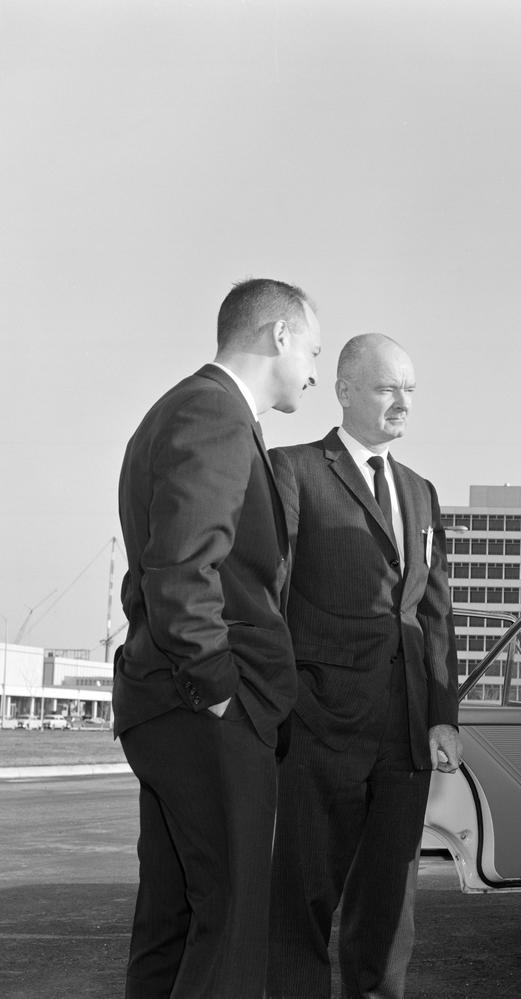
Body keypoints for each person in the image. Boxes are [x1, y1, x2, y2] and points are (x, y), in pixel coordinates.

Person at [114, 278, 321, 998]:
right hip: (202, 709)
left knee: (172, 920)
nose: (314, 374)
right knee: (231, 926)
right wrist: (220, 694)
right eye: (313, 351)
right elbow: (180, 568)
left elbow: (155, 568)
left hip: (168, 705)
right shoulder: (214, 415)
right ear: (279, 336)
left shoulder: (182, 410)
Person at [267, 333, 461, 999]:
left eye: (410, 388)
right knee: (300, 910)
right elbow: (267, 594)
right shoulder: (291, 469)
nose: (402, 401)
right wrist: (282, 705)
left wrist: (443, 715)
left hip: (405, 738)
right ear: (346, 389)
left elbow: (436, 612)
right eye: (386, 387)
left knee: (387, 916)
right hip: (317, 730)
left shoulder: (421, 490)